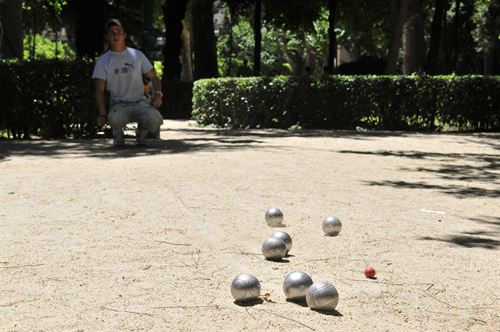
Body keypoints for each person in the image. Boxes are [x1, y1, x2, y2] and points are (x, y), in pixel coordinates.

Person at [92, 18, 163, 146]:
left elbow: (154, 78)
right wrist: (102, 114)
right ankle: (117, 134)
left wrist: (158, 94)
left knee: (155, 118)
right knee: (115, 118)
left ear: (124, 35)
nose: (115, 35)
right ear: (107, 36)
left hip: (141, 103)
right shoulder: (103, 61)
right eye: (112, 32)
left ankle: (142, 131)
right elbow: (99, 90)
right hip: (119, 105)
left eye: (118, 31)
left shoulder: (137, 55)